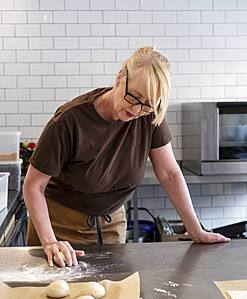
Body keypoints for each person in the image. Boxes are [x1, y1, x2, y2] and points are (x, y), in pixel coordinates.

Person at [23, 46, 229, 268]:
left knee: (112, 295)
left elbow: (169, 174)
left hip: (112, 225)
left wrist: (196, 230)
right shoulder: (69, 121)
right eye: (134, 97)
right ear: (121, 76)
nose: (136, 109)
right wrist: (50, 241)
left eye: (147, 104)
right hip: (60, 227)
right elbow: (33, 186)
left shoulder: (150, 116)